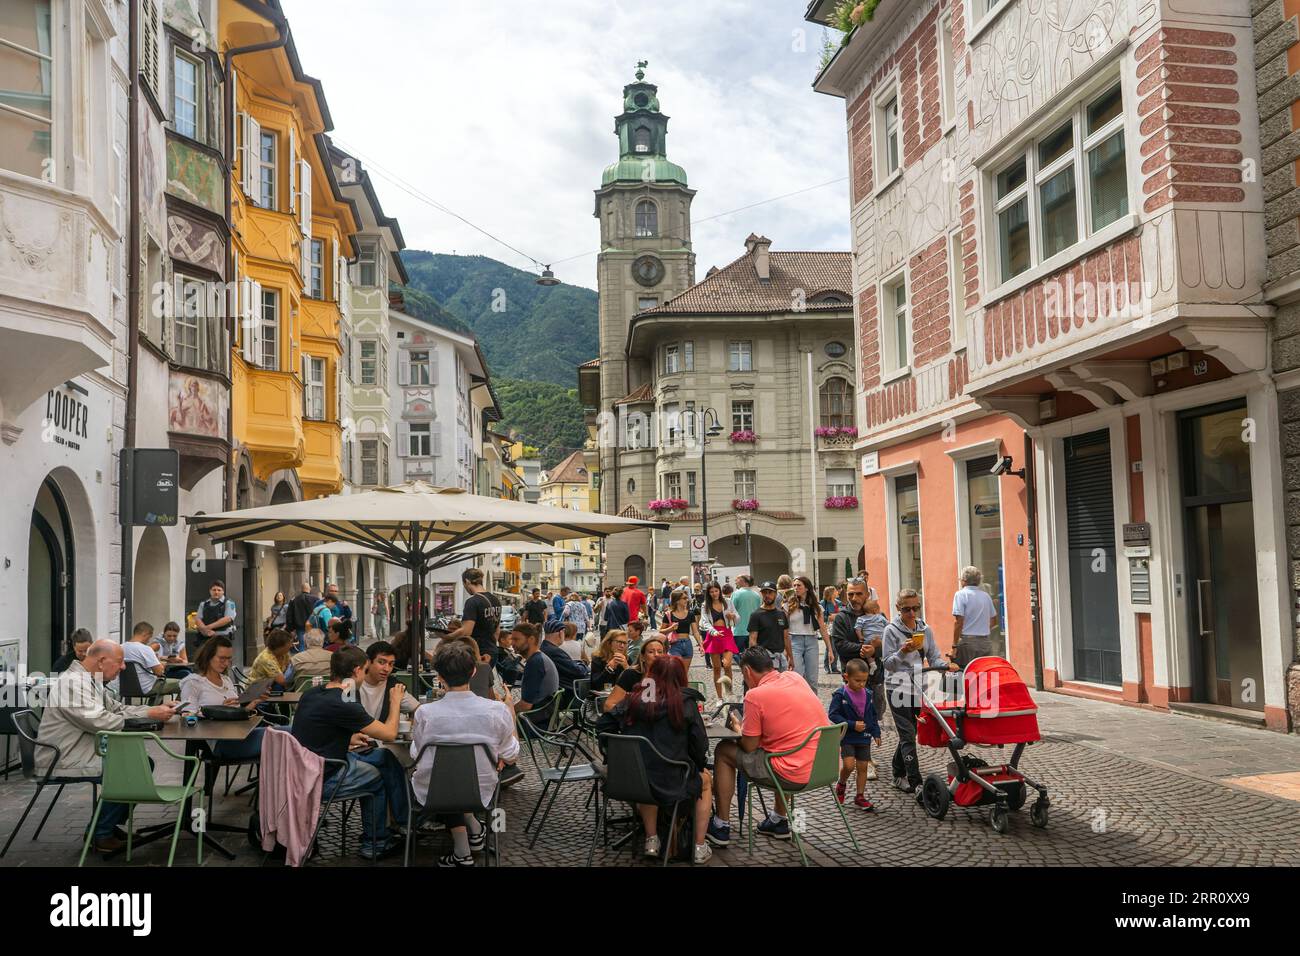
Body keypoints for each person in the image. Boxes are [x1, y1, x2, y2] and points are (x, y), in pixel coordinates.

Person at [36, 641, 179, 852]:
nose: (123, 667)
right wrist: (149, 714)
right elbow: (99, 721)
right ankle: (101, 833)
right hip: (64, 758)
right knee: (132, 769)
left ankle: (105, 826)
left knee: (140, 764)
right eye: (120, 662)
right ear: (102, 661)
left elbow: (117, 708)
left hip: (81, 751)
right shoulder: (72, 683)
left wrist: (152, 710)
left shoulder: (90, 680)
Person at [410, 640, 520, 867]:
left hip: (432, 792)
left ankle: (464, 848)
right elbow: (511, 756)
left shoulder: (425, 713)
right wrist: (511, 716)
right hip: (481, 791)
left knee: (446, 774)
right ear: (473, 672)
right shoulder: (497, 710)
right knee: (460, 775)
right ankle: (473, 833)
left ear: (439, 676)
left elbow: (415, 754)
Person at [709, 646, 834, 846]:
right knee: (782, 745)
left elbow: (749, 746)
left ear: (748, 671)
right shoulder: (795, 678)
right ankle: (779, 819)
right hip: (822, 766)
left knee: (723, 750)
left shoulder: (755, 695)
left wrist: (739, 728)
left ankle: (721, 825)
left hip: (793, 773)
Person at [291, 645, 406, 860]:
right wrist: (396, 701)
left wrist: (349, 737)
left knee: (383, 757)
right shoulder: (344, 703)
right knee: (376, 779)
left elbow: (318, 728)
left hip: (304, 769)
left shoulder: (312, 694)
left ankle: (404, 819)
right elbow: (389, 734)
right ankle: (376, 843)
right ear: (356, 671)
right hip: (323, 777)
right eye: (364, 669)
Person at [616, 655, 714, 863]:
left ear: (651, 675)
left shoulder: (632, 699)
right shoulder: (685, 704)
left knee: (649, 770)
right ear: (681, 677)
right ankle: (699, 846)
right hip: (673, 779)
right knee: (705, 782)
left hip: (635, 779)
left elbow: (606, 727)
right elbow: (700, 746)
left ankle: (652, 839)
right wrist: (699, 766)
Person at [883, 588, 957, 796]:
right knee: (907, 735)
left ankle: (897, 772)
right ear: (898, 608)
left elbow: (933, 656)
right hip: (897, 687)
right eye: (907, 609)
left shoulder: (925, 629)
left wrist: (945, 666)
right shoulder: (891, 631)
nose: (912, 613)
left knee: (911, 732)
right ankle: (916, 783)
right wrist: (902, 652)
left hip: (918, 686)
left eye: (916, 608)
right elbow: (887, 664)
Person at [178, 636, 268, 762]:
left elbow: (235, 714)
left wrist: (254, 702)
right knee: (282, 738)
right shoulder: (194, 682)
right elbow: (187, 719)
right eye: (221, 658)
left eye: (228, 659)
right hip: (220, 742)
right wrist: (219, 710)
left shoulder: (226, 680)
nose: (226, 663)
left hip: (240, 734)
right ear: (208, 656)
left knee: (285, 734)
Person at [831, 577, 884, 779]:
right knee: (858, 717)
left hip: (875, 674)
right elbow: (840, 645)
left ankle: (862, 752)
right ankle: (864, 760)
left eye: (858, 593)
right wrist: (861, 648)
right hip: (853, 679)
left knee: (875, 713)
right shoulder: (842, 618)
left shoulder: (878, 615)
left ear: (867, 595)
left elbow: (888, 641)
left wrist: (877, 647)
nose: (854, 598)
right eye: (850, 594)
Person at [828, 658, 883, 811]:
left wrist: (876, 732)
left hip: (864, 737)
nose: (861, 684)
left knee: (863, 767)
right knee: (848, 765)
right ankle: (842, 783)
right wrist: (852, 724)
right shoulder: (840, 694)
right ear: (846, 677)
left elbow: (872, 715)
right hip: (847, 737)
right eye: (857, 680)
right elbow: (833, 715)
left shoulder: (868, 694)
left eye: (864, 681)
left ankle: (860, 796)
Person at [446, 567, 501, 668]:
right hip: (492, 651)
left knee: (473, 683)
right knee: (483, 682)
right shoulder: (495, 600)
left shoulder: (472, 602)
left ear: (467, 581)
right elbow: (497, 630)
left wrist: (448, 637)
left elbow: (467, 631)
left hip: (478, 653)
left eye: (464, 585)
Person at [601, 635, 666, 714]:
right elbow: (608, 705)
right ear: (642, 657)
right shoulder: (631, 674)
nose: (656, 655)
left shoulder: (669, 674)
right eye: (651, 652)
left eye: (660, 652)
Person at [357, 644, 422, 722]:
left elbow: (420, 710)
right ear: (368, 662)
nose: (387, 669)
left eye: (391, 664)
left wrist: (411, 721)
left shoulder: (394, 687)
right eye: (381, 662)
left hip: (383, 733)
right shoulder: (353, 683)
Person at [115, 622, 180, 698]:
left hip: (125, 688)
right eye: (149, 637)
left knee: (160, 684)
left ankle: (154, 707)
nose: (149, 641)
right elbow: (159, 672)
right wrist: (161, 664)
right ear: (145, 634)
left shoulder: (119, 648)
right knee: (185, 683)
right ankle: (176, 709)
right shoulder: (145, 649)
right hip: (147, 687)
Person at [786, 576, 829, 690]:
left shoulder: (816, 607)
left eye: (799, 585)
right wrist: (786, 649)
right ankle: (798, 706)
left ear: (806, 588)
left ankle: (812, 706)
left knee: (812, 679)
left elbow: (823, 629)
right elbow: (784, 629)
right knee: (797, 677)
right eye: (794, 585)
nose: (796, 588)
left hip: (812, 641)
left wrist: (829, 649)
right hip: (794, 641)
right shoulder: (788, 605)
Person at [510, 623, 558, 723]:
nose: (512, 644)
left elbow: (525, 706)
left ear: (531, 639)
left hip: (534, 723)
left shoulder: (535, 663)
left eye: (516, 639)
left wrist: (505, 711)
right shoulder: (539, 658)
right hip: (543, 716)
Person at [952, 566, 999, 667]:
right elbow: (994, 620)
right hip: (985, 642)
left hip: (968, 643)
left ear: (964, 581)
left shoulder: (961, 595)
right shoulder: (986, 596)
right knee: (986, 676)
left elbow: (958, 622)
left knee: (965, 676)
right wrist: (981, 630)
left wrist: (954, 645)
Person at [699, 581, 739, 699]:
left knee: (727, 665)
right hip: (713, 635)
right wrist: (714, 632)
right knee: (716, 668)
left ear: (719, 591)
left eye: (716, 591)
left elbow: (737, 616)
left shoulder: (727, 602)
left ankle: (729, 693)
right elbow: (705, 622)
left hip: (726, 634)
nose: (714, 593)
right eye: (711, 592)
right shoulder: (705, 605)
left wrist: (733, 617)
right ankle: (720, 697)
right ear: (708, 593)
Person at [747, 582, 793, 672]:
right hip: (764, 658)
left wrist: (791, 657)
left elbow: (786, 638)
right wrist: (756, 660)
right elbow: (752, 640)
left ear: (775, 594)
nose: (767, 595)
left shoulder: (781, 614)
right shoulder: (756, 615)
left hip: (781, 658)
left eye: (770, 592)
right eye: (764, 592)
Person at [539, 623, 590, 693]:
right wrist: (583, 664)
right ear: (561, 633)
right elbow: (578, 671)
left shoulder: (544, 647)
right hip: (566, 689)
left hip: (556, 685)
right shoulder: (554, 651)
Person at [658, 589, 701, 662]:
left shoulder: (690, 614)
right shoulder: (669, 614)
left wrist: (700, 643)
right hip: (674, 644)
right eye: (684, 598)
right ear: (677, 600)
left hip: (688, 644)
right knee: (677, 670)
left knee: (684, 672)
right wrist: (670, 629)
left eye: (687, 598)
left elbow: (695, 632)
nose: (687, 600)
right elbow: (660, 631)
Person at [730, 575, 761, 653]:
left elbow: (731, 610)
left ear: (743, 581)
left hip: (739, 630)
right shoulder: (756, 595)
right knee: (751, 655)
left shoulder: (736, 594)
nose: (735, 581)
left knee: (737, 654)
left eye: (737, 579)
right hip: (753, 631)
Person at [285, 581, 318, 651]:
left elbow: (289, 615)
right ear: (309, 589)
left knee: (302, 645)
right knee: (312, 645)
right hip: (312, 626)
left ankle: (302, 660)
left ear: (301, 589)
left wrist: (290, 628)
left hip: (299, 626)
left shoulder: (294, 600)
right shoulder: (315, 599)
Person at [821, 586, 843, 674]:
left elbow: (842, 614)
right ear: (830, 593)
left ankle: (834, 667)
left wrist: (836, 616)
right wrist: (829, 617)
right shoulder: (823, 603)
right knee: (829, 647)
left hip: (837, 626)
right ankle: (827, 666)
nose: (837, 592)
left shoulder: (839, 603)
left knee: (836, 647)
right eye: (835, 591)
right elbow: (820, 616)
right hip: (828, 627)